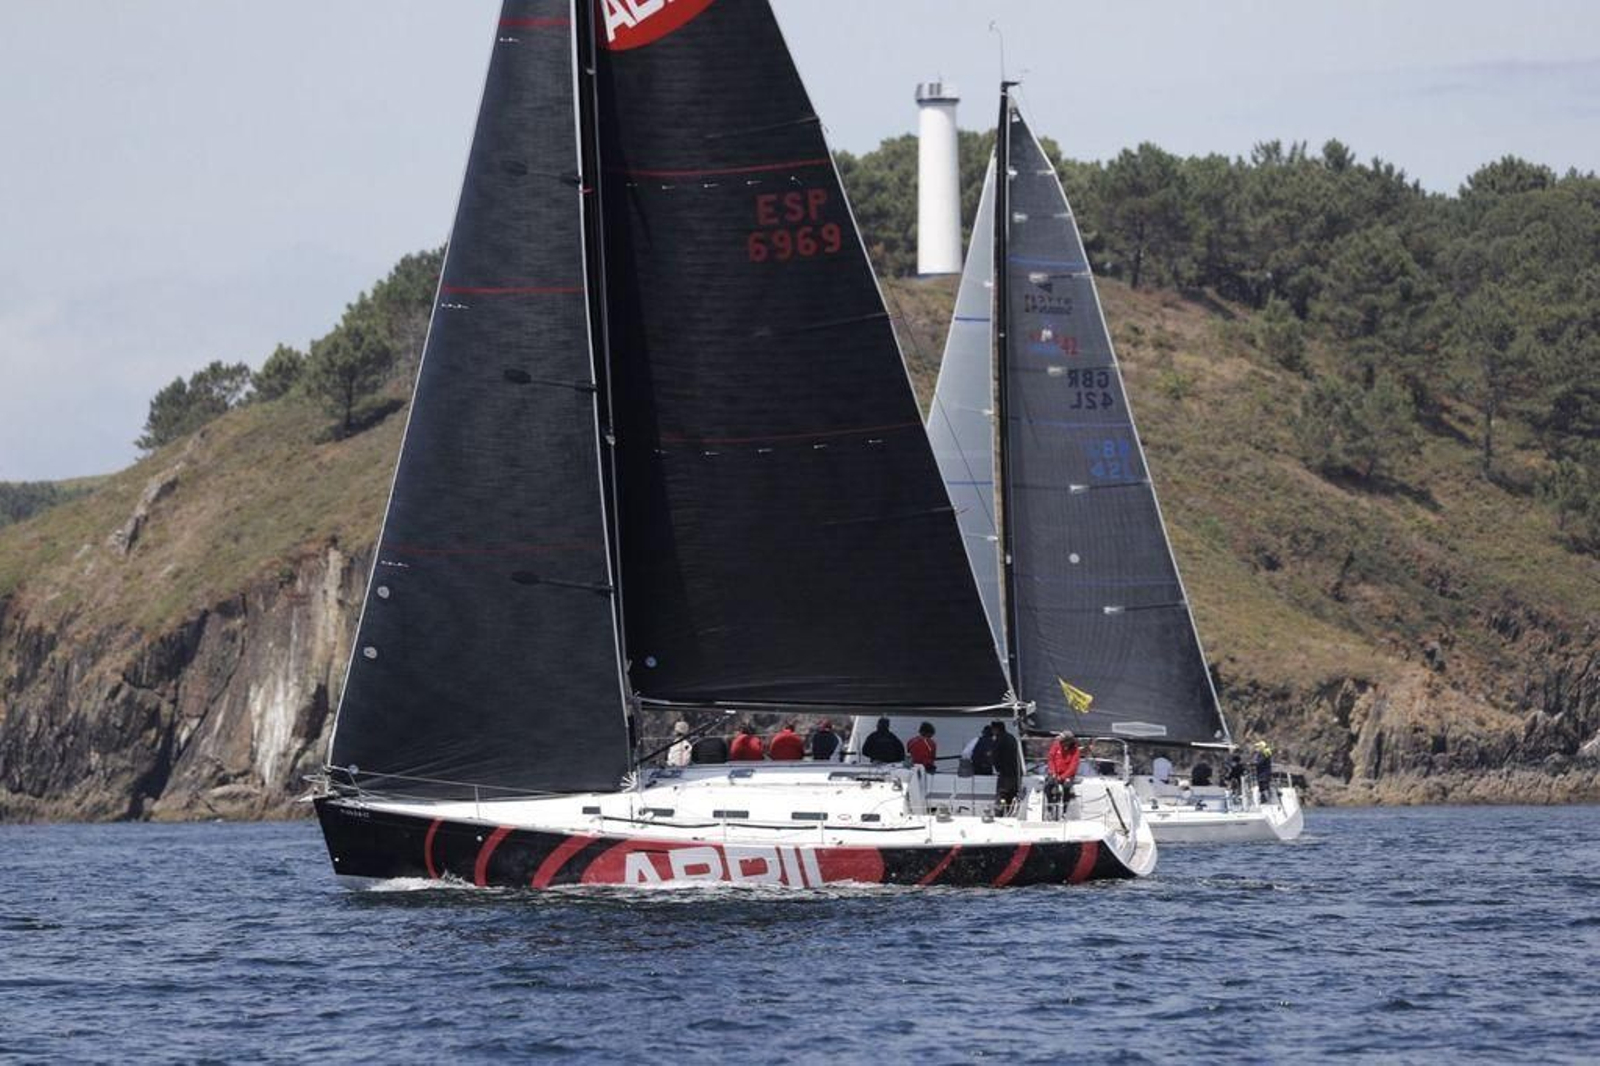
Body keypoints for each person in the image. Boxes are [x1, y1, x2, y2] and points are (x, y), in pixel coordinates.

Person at [1045, 730, 1081, 813]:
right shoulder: (1056, 745)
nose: (1060, 742)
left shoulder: (1075, 750)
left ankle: (1065, 810)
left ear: (1068, 742)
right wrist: (1053, 773)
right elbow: (1051, 759)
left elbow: (1073, 767)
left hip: (1067, 775)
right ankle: (1050, 807)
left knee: (1066, 786)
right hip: (1055, 772)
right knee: (1049, 784)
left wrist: (1062, 777)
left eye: (1062, 741)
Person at [992, 720, 1021, 812]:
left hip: (1004, 773)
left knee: (1001, 794)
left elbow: (995, 756)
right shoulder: (1012, 738)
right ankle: (1010, 812)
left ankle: (999, 814)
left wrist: (997, 768)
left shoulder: (999, 739)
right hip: (1015, 772)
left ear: (996, 729)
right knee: (1011, 795)